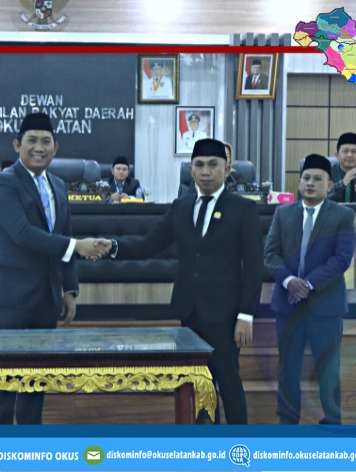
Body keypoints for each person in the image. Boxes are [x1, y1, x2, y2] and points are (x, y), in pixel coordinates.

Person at [107, 139, 263, 424]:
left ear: (227, 169)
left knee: (228, 382)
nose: (206, 171)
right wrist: (112, 247)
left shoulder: (243, 209)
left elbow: (254, 266)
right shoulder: (181, 206)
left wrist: (246, 315)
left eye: (213, 165)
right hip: (189, 310)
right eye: (199, 165)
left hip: (225, 313)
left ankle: (239, 444)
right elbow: (149, 244)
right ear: (191, 170)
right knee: (199, 383)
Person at [0, 112, 108, 424]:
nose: (38, 148)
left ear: (55, 147)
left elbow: (63, 233)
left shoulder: (59, 185)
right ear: (17, 145)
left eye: (45, 141)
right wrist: (77, 246)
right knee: (5, 383)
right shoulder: (2, 183)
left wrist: (69, 290)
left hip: (47, 299)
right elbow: (22, 234)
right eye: (32, 141)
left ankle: (31, 446)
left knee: (35, 383)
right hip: (11, 298)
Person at [264, 153, 356, 424]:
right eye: (306, 178)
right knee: (288, 368)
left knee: (329, 368)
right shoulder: (283, 213)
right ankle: (288, 421)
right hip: (288, 305)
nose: (311, 183)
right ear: (299, 182)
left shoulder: (343, 215)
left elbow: (341, 259)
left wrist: (308, 284)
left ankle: (332, 421)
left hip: (325, 304)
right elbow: (270, 255)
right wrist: (289, 281)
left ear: (329, 185)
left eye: (317, 179)